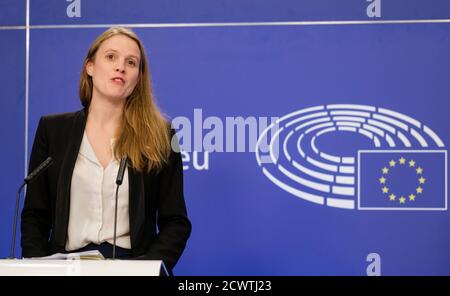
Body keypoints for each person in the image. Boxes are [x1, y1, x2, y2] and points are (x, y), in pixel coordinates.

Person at [20, 27, 191, 274]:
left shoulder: (161, 136)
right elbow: (35, 215)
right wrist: (40, 270)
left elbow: (176, 222)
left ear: (138, 78)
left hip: (132, 268)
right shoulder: (53, 131)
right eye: (111, 57)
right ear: (90, 67)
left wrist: (145, 271)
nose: (120, 66)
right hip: (65, 268)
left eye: (131, 62)